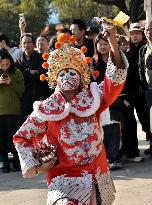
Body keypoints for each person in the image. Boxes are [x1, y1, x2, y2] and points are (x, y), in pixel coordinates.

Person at [13, 27, 127, 205]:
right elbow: (22, 137)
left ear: (81, 76)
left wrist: (112, 41)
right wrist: (38, 167)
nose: (67, 77)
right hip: (64, 180)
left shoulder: (93, 98)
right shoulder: (46, 109)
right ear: (54, 79)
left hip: (97, 175)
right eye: (62, 74)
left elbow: (115, 81)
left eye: (72, 72)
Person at [90, 32, 124, 170]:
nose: (103, 47)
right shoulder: (93, 61)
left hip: (116, 97)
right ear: (96, 46)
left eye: (105, 44)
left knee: (115, 127)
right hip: (100, 99)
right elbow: (93, 79)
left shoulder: (114, 59)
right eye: (100, 44)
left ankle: (115, 157)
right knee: (103, 129)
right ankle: (107, 158)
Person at [15, 33, 52, 120]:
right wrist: (29, 72)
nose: (26, 45)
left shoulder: (42, 59)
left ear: (34, 44)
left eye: (29, 42)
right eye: (24, 43)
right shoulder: (18, 62)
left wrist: (25, 74)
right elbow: (18, 78)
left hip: (41, 98)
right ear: (21, 45)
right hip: (25, 100)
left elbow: (41, 76)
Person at [0, 49, 24, 173]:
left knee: (14, 140)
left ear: (11, 63)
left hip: (14, 111)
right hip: (0, 112)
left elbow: (21, 90)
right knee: (2, 141)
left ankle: (16, 162)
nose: (5, 67)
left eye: (7, 64)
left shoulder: (17, 73)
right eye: (2, 64)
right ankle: (5, 164)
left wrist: (11, 83)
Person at [139, 21, 152, 155]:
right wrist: (143, 86)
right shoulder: (143, 49)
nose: (149, 32)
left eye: (151, 29)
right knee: (149, 119)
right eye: (147, 30)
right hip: (148, 90)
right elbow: (140, 69)